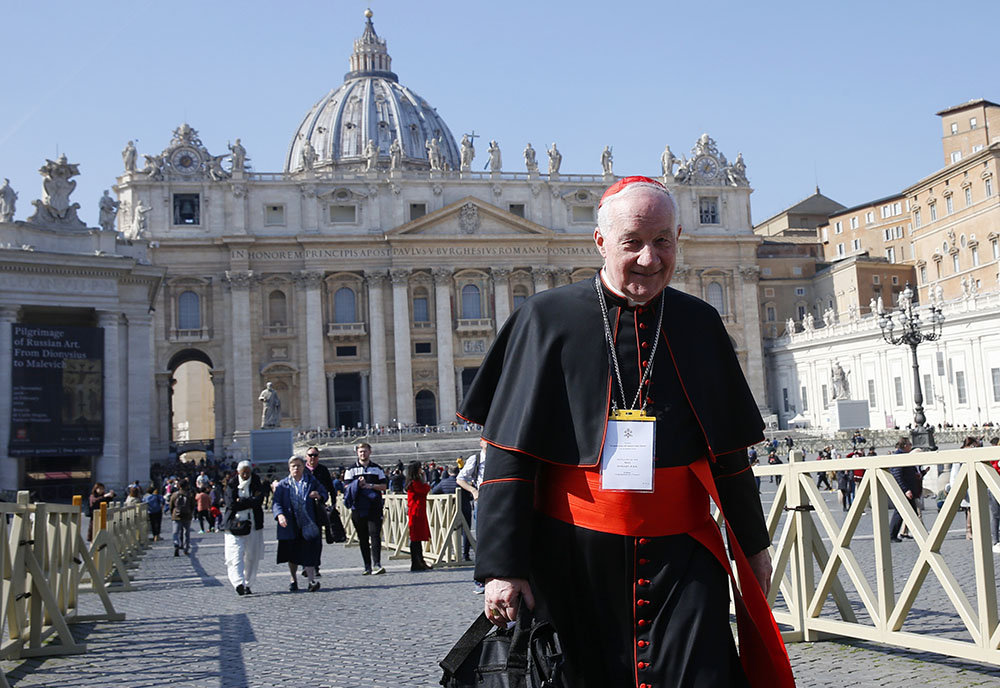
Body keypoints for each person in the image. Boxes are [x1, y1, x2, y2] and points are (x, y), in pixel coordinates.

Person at [458, 176, 792, 687]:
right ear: (600, 242)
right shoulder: (545, 319)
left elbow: (729, 454)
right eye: (632, 243)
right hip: (573, 555)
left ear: (678, 237)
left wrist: (753, 548)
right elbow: (509, 454)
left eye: (662, 241)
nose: (649, 258)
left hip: (684, 557)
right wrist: (503, 567)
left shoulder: (700, 322)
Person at [273, 455, 327, 592]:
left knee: (309, 552)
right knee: (292, 554)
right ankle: (293, 579)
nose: (296, 468)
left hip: (308, 522)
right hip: (290, 523)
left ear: (303, 467)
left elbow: (324, 492)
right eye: (293, 466)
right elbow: (276, 502)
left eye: (298, 465)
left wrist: (319, 495)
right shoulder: (283, 485)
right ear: (289, 468)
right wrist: (280, 515)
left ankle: (311, 581)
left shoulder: (311, 481)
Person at [343, 442, 388, 575]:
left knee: (375, 535)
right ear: (357, 453)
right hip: (358, 507)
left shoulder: (377, 469)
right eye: (360, 451)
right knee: (362, 537)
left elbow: (384, 486)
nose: (363, 454)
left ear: (370, 452)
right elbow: (346, 488)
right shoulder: (350, 470)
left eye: (365, 451)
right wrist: (357, 484)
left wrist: (371, 485)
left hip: (374, 507)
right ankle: (367, 565)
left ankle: (377, 563)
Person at [223, 460, 266, 596]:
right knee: (235, 555)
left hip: (253, 524)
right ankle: (238, 583)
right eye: (243, 473)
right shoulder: (231, 484)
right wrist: (249, 501)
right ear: (238, 472)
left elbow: (258, 501)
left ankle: (248, 583)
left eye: (248, 472)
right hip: (234, 525)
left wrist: (241, 501)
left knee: (252, 556)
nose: (246, 475)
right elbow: (231, 504)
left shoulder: (256, 482)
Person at [457, 438, 488, 593]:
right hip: (482, 502)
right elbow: (460, 479)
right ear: (481, 442)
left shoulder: (501, 456)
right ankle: (479, 580)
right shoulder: (474, 459)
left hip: (500, 499)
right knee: (482, 541)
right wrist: (474, 491)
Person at [304, 447, 334, 576]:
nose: (312, 457)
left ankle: (315, 565)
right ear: (306, 456)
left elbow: (330, 488)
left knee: (317, 538)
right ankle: (306, 565)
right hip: (303, 509)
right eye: (310, 455)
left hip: (318, 508)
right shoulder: (302, 470)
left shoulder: (323, 470)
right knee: (304, 538)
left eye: (315, 455)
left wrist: (333, 504)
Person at [432, 465, 472, 560]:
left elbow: (434, 492)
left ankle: (447, 553)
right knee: (466, 532)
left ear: (449, 473)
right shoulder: (463, 483)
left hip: (449, 511)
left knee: (447, 530)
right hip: (464, 508)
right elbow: (469, 495)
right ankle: (466, 555)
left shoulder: (443, 483)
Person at [888, 436, 920, 543]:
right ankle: (919, 535)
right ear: (905, 446)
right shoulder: (899, 456)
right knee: (907, 512)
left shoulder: (903, 455)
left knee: (906, 512)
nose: (911, 446)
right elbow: (897, 474)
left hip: (906, 489)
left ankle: (893, 534)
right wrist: (906, 489)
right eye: (910, 444)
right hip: (904, 490)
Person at [405, 461, 433, 572]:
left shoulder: (412, 481)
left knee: (417, 539)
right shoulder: (415, 482)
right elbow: (425, 489)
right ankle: (416, 562)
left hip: (418, 510)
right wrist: (425, 481)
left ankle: (420, 561)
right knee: (416, 538)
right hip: (416, 511)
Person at [169, 478, 194, 556]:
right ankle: (186, 548)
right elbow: (192, 505)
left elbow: (171, 505)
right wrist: (191, 513)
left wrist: (172, 513)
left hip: (176, 515)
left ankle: (176, 543)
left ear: (179, 486)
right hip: (187, 515)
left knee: (175, 532)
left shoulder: (175, 494)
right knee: (186, 532)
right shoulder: (190, 495)